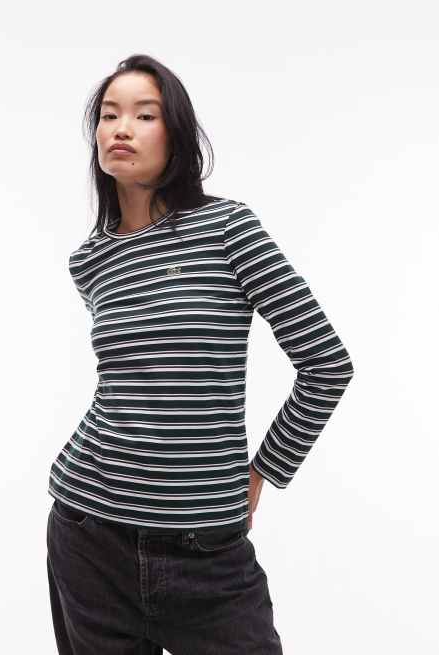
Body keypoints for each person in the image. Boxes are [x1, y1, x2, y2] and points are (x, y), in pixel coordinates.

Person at [46, 53, 354, 655]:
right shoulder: (91, 261)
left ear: (177, 134)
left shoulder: (228, 228)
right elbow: (132, 385)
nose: (121, 128)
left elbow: (327, 364)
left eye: (145, 115)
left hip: (207, 553)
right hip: (88, 533)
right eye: (109, 115)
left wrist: (265, 470)